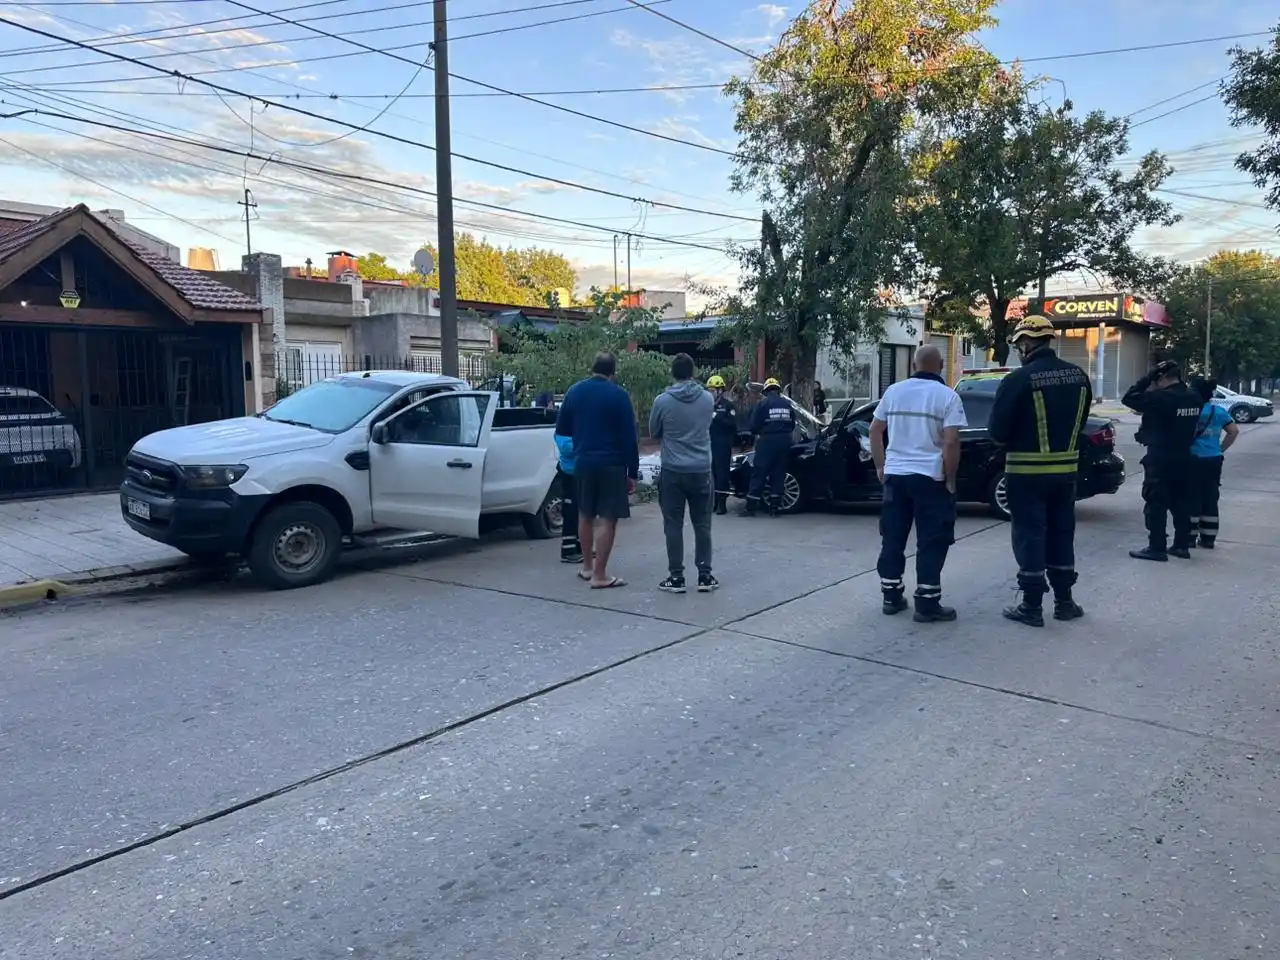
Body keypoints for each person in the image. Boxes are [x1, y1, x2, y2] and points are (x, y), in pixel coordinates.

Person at [987, 315, 1093, 627]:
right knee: (1062, 533)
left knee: (1030, 535)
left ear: (1025, 342)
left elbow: (997, 432)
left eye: (1020, 343)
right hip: (1065, 475)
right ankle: (1065, 602)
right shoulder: (1079, 376)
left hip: (1026, 474)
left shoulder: (1019, 379)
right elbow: (1083, 421)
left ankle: (1032, 606)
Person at [868, 344, 966, 623]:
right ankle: (927, 602)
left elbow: (875, 431)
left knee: (893, 537)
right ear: (941, 366)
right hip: (930, 478)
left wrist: (880, 465)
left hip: (896, 477)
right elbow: (950, 441)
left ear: (913, 366)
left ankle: (891, 596)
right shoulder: (948, 396)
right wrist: (949, 479)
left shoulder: (894, 392)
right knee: (932, 540)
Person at [555, 351, 638, 588]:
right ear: (613, 372)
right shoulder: (619, 396)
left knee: (585, 514)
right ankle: (600, 575)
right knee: (608, 517)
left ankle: (587, 568)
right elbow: (630, 437)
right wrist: (632, 472)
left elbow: (563, 429)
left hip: (583, 462)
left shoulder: (574, 392)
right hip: (611, 464)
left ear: (593, 368)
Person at [649, 353, 718, 593]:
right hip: (701, 469)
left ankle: (676, 577)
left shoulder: (662, 401)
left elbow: (654, 430)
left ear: (672, 372)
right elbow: (705, 426)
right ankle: (705, 576)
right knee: (703, 524)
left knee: (673, 525)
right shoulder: (708, 399)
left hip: (673, 470)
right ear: (694, 372)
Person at [1122, 360, 1203, 562]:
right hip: (1185, 456)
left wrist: (1148, 377)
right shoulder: (1194, 398)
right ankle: (1181, 546)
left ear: (1163, 378)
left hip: (1161, 457)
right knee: (1181, 503)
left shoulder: (1161, 398)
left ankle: (1156, 547)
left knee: (1156, 502)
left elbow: (1129, 398)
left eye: (1157, 380)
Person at [1187, 376, 1239, 549]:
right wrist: (1220, 449)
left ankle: (1189, 537)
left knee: (1190, 497)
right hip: (1213, 459)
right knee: (1210, 497)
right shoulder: (1218, 411)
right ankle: (1208, 538)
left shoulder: (1189, 411)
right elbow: (1233, 431)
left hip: (1191, 459)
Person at [742, 378, 794, 516]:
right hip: (784, 441)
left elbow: (754, 425)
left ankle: (750, 508)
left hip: (767, 441)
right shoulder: (787, 404)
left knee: (759, 472)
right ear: (778, 390)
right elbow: (792, 424)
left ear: (765, 391)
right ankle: (775, 508)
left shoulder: (762, 404)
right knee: (778, 474)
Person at [707, 374, 737, 515]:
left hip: (723, 445)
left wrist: (716, 417)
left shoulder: (727, 406)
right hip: (709, 444)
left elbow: (732, 424)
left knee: (721, 474)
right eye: (710, 390)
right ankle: (712, 502)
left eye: (713, 390)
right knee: (710, 475)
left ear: (720, 390)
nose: (711, 392)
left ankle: (721, 503)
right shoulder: (706, 405)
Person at [553, 431, 581, 564]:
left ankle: (580, 547)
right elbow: (565, 447)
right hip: (569, 472)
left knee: (581, 511)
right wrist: (585, 443)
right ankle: (568, 551)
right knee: (571, 510)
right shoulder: (564, 424)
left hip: (581, 471)